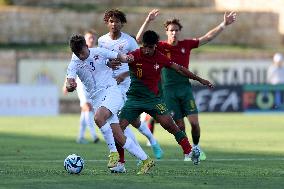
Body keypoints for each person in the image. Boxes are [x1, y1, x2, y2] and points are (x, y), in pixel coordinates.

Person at [136, 9, 236, 161]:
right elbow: (138, 40)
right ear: (166, 32)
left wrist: (223, 24)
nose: (174, 33)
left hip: (185, 89)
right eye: (171, 30)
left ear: (179, 31)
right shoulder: (160, 46)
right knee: (180, 126)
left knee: (194, 123)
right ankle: (188, 152)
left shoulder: (186, 45)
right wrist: (148, 21)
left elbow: (207, 38)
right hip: (168, 91)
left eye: (176, 30)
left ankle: (196, 146)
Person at [118, 30, 214, 166]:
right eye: (145, 47)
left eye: (151, 47)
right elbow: (122, 58)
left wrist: (199, 79)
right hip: (134, 100)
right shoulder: (135, 55)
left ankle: (189, 152)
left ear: (155, 46)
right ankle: (120, 162)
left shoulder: (160, 57)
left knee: (172, 126)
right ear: (142, 45)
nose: (147, 50)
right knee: (118, 128)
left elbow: (179, 69)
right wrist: (119, 59)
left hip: (154, 100)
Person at [65, 34, 154, 174]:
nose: (81, 56)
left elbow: (118, 56)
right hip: (97, 100)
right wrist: (71, 85)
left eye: (82, 52)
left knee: (98, 118)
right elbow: (69, 83)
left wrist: (127, 58)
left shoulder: (98, 52)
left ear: (87, 46)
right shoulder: (74, 63)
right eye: (77, 53)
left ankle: (113, 153)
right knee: (119, 136)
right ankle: (146, 160)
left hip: (112, 91)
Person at [98, 9, 163, 173]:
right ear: (107, 22)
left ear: (122, 23)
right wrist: (107, 65)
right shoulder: (101, 41)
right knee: (127, 123)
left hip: (126, 87)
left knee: (118, 124)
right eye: (111, 21)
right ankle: (150, 143)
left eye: (117, 21)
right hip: (109, 87)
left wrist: (124, 74)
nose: (114, 24)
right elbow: (100, 62)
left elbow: (140, 63)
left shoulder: (129, 42)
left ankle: (124, 162)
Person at [63, 30, 100, 144]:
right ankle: (94, 136)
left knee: (86, 111)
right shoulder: (77, 52)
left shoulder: (96, 52)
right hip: (81, 85)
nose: (91, 40)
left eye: (93, 38)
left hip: (93, 86)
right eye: (89, 38)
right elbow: (71, 69)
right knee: (87, 108)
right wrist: (66, 84)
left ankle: (80, 136)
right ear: (84, 40)